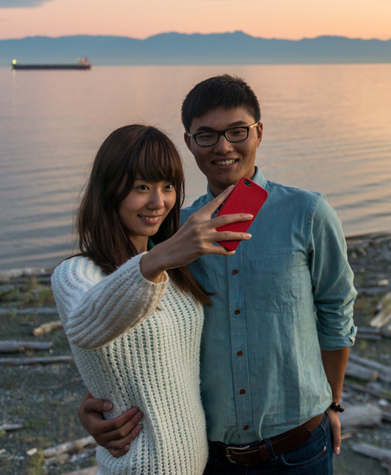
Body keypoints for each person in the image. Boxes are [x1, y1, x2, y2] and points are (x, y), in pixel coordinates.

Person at [77, 75, 358, 475]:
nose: (223, 147)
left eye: (237, 132)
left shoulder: (308, 213)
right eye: (206, 135)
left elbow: (336, 313)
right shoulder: (171, 235)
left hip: (299, 447)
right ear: (189, 142)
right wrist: (94, 403)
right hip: (208, 455)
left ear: (259, 132)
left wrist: (333, 401)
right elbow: (137, 329)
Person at [52, 124, 254, 475]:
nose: (158, 202)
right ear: (109, 191)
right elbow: (84, 326)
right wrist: (157, 259)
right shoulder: (76, 273)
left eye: (168, 187)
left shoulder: (174, 271)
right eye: (141, 187)